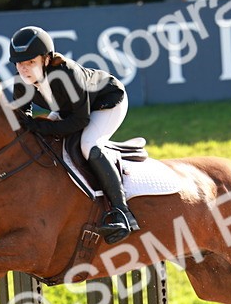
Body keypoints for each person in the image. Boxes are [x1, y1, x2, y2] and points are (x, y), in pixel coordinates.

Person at [9, 25, 139, 244]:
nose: (24, 69)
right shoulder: (22, 82)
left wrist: (38, 126)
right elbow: (22, 121)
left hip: (106, 103)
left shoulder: (67, 74)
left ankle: (122, 212)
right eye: (20, 64)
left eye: (31, 62)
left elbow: (80, 121)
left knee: (88, 144)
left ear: (47, 59)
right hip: (68, 108)